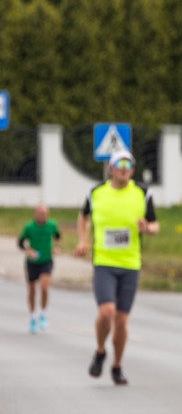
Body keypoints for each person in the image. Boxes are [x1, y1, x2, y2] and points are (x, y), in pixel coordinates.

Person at [74, 149, 159, 385]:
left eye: (129, 164)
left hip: (131, 264)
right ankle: (101, 350)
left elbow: (155, 226)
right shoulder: (96, 193)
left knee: (121, 321)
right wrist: (82, 240)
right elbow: (83, 217)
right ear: (110, 168)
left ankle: (117, 366)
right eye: (119, 164)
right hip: (104, 263)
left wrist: (147, 228)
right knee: (106, 312)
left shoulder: (142, 192)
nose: (124, 168)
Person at [18, 204, 61, 333]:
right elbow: (20, 242)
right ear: (35, 214)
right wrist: (28, 250)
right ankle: (32, 316)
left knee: (44, 287)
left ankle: (42, 313)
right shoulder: (29, 227)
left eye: (44, 213)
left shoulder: (52, 225)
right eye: (40, 213)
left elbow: (57, 237)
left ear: (47, 214)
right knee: (32, 290)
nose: (42, 216)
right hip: (32, 262)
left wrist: (57, 247)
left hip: (46, 260)